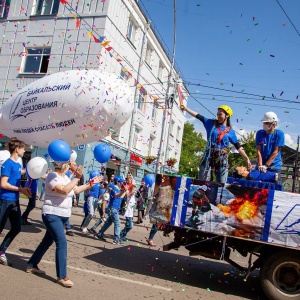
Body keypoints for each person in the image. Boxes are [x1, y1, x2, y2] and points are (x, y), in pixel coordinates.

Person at [26, 160, 102, 287]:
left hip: (62, 215)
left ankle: (31, 264)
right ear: (64, 165)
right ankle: (62, 276)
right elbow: (64, 190)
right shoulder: (52, 176)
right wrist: (77, 177)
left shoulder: (65, 177)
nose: (72, 166)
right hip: (52, 214)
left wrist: (90, 184)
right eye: (70, 163)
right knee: (62, 243)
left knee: (47, 241)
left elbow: (75, 190)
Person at [181, 104, 251, 183]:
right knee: (202, 180)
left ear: (227, 115)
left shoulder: (231, 132)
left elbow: (238, 147)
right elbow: (198, 116)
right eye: (217, 114)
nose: (218, 116)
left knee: (221, 182)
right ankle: (201, 192)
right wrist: (186, 109)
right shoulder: (211, 123)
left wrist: (247, 158)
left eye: (220, 114)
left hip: (221, 157)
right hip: (208, 154)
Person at [0, 138, 31, 266]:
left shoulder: (18, 164)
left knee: (17, 227)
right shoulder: (7, 164)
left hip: (15, 201)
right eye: (23, 148)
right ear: (17, 149)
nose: (24, 150)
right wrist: (20, 189)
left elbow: (18, 175)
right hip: (5, 200)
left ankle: (1, 251)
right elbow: (3, 184)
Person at [96, 175, 128, 245]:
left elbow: (120, 197)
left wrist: (125, 191)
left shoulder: (117, 188)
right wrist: (123, 191)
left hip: (114, 208)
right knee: (117, 223)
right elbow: (117, 195)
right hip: (113, 208)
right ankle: (116, 239)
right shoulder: (113, 187)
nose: (122, 184)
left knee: (108, 223)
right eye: (121, 182)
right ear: (118, 182)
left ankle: (100, 234)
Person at [256, 112, 285, 182]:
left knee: (274, 189)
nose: (264, 124)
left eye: (266, 123)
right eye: (264, 122)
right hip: (261, 166)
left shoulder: (279, 134)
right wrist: (260, 165)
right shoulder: (260, 133)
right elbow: (258, 151)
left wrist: (266, 165)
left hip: (274, 166)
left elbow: (276, 152)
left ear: (273, 124)